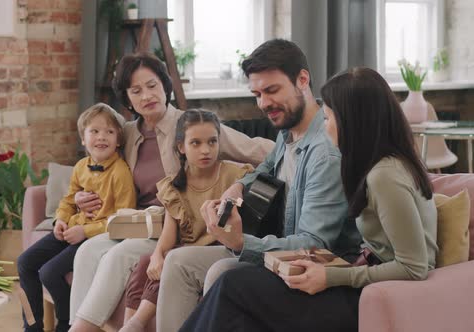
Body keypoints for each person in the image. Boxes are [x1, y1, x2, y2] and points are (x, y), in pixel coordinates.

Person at [181, 67, 439, 332]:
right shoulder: (380, 165)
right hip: (360, 282)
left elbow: (414, 267)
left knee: (233, 285)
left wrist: (331, 276)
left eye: (327, 118)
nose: (324, 129)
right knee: (237, 291)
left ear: (353, 121)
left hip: (369, 296)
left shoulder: (385, 176)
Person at [155, 38, 362, 331]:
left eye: (272, 90)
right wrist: (238, 186)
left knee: (222, 272)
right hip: (276, 244)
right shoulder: (289, 131)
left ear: (303, 79)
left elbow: (314, 245)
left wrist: (241, 243)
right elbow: (266, 166)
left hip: (310, 264)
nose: (264, 103)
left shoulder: (325, 153)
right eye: (257, 93)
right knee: (178, 262)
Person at [68, 52, 274, 332]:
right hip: (133, 223)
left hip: (171, 227)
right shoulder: (127, 133)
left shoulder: (190, 126)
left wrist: (290, 148)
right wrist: (80, 195)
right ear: (127, 99)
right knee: (88, 250)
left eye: (152, 86)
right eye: (136, 91)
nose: (146, 96)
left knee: (119, 255)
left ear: (165, 86)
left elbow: (254, 150)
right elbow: (96, 163)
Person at [119, 110, 253, 332]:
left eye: (212, 142)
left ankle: (138, 322)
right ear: (181, 147)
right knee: (146, 262)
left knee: (173, 259)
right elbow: (169, 234)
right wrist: (157, 254)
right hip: (189, 251)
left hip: (222, 250)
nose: (206, 150)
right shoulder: (175, 185)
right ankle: (130, 324)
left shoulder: (235, 176)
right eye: (196, 143)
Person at [17, 103, 136, 332]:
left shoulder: (121, 173)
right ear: (83, 138)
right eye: (94, 131)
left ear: (118, 140)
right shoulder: (81, 166)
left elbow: (123, 219)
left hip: (95, 237)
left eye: (109, 132)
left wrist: (85, 231)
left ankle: (66, 325)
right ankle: (31, 327)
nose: (102, 137)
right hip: (70, 229)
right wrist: (60, 220)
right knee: (24, 263)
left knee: (49, 272)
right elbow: (69, 200)